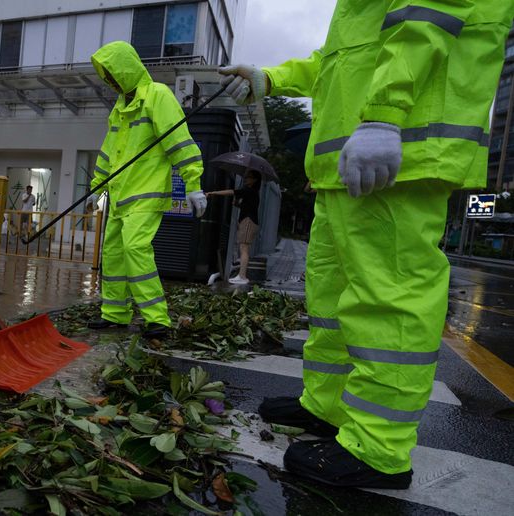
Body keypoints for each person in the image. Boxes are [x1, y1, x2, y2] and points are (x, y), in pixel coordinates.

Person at [218, 0, 514, 489]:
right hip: (349, 162)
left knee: (387, 299)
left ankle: (379, 447)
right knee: (334, 299)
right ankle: (329, 406)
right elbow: (337, 61)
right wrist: (270, 78)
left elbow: (428, 19)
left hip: (400, 151)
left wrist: (385, 115)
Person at [85, 41, 207, 339]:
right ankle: (115, 313)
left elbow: (179, 141)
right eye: (107, 77)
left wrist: (193, 184)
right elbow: (108, 152)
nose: (110, 81)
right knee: (112, 254)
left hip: (147, 193)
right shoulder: (120, 107)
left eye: (113, 74)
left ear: (125, 69)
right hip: (119, 194)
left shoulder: (158, 96)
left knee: (135, 249)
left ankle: (157, 318)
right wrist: (95, 187)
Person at [207, 169, 262, 284]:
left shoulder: (250, 191)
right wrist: (236, 202)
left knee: (244, 248)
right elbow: (242, 205)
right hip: (247, 221)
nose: (246, 179)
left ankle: (242, 276)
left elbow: (231, 192)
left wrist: (213, 193)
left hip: (248, 222)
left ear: (255, 180)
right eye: (246, 177)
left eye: (249, 177)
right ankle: (241, 276)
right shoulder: (251, 192)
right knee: (243, 248)